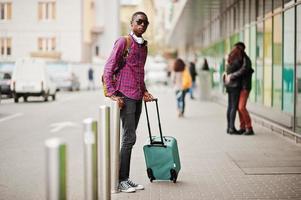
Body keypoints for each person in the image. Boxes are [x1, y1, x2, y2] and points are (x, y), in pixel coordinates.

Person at [103, 11, 154, 193]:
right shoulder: (123, 42)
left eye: (145, 23)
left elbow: (139, 72)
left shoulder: (144, 46)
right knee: (128, 138)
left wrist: (145, 91)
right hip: (125, 95)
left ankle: (125, 177)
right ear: (131, 23)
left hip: (137, 95)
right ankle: (121, 180)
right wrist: (111, 93)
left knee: (130, 138)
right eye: (139, 22)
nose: (142, 25)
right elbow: (109, 66)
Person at [227, 42, 255, 135]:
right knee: (238, 108)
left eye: (237, 48)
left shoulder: (246, 60)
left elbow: (243, 70)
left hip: (245, 87)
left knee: (241, 107)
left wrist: (231, 76)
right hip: (239, 87)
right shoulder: (239, 59)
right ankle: (242, 127)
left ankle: (249, 127)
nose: (235, 50)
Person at [223, 45, 244, 135]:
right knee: (233, 107)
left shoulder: (229, 60)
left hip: (229, 86)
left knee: (230, 106)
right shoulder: (238, 61)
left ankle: (228, 127)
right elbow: (242, 71)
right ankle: (232, 128)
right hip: (235, 87)